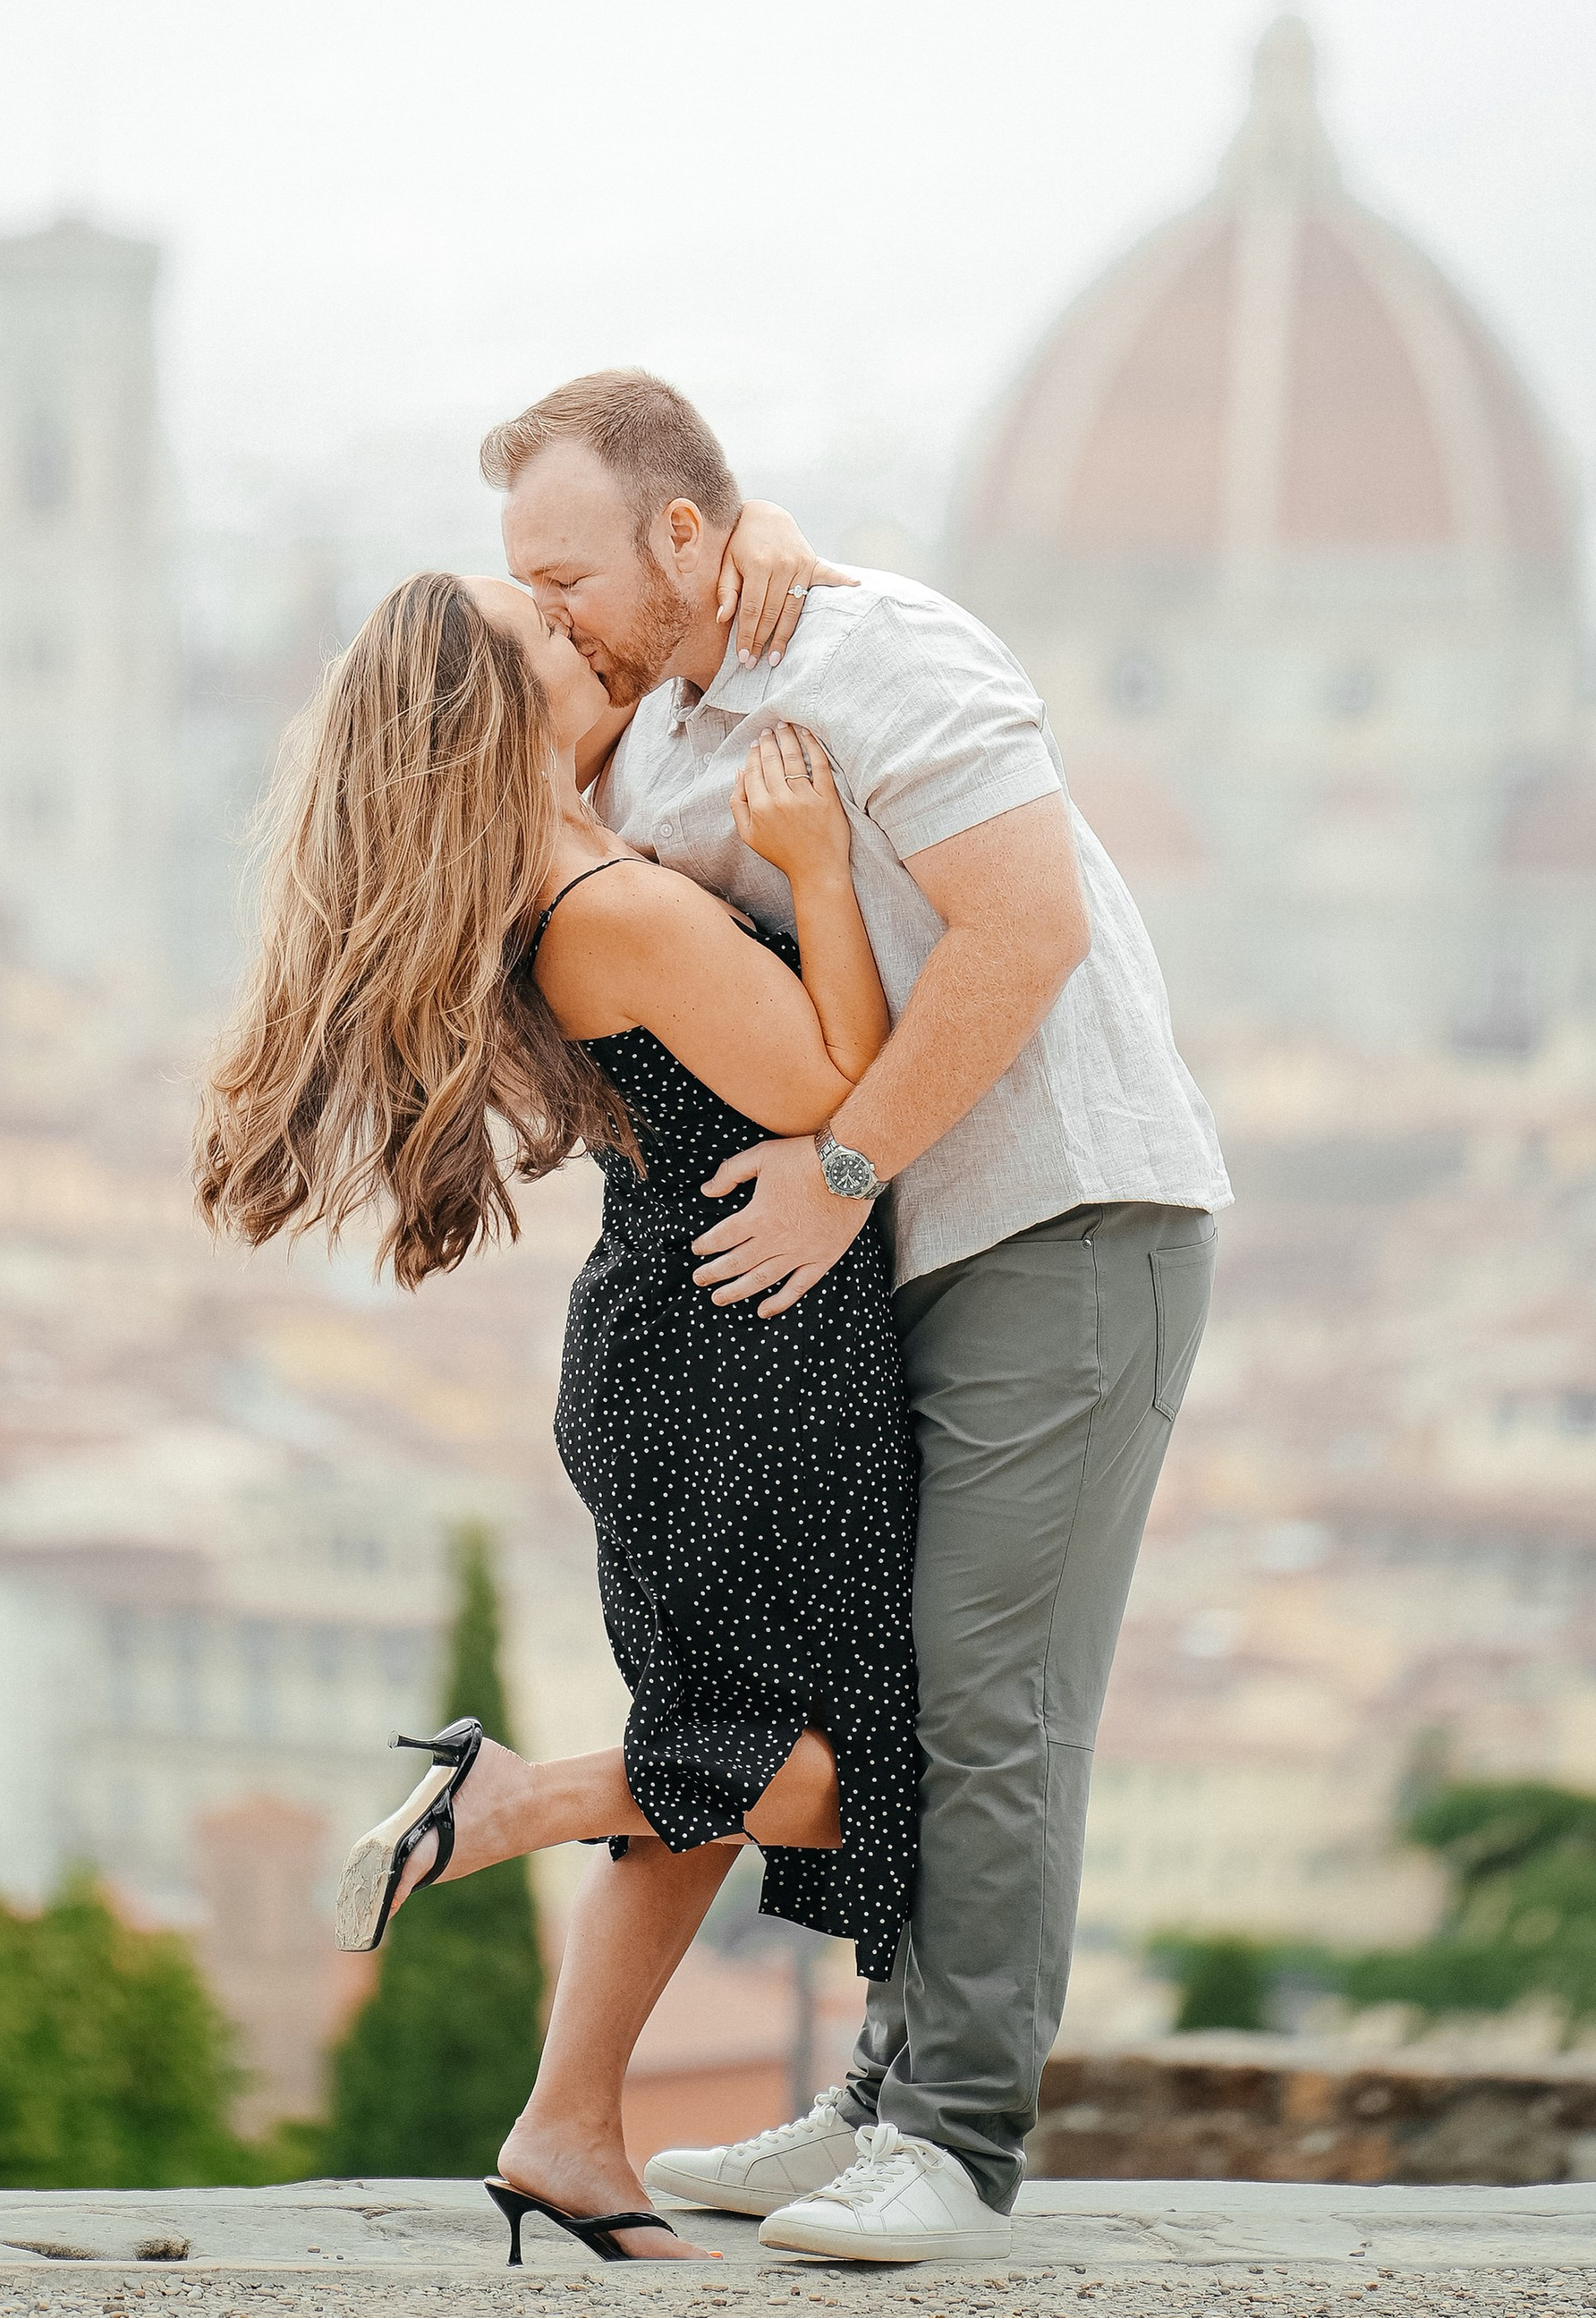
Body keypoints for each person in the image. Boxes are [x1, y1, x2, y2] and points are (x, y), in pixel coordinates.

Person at [485, 369, 1230, 2269]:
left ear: (680, 532)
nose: (553, 613)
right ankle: (888, 2099)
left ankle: (957, 2145)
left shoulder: (886, 653)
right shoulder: (660, 720)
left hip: (1061, 1217)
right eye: (528, 584)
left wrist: (841, 1167)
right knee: (898, 1685)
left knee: (991, 1693)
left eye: (568, 576)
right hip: (905, 1255)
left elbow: (1027, 928)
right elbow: (528, 740)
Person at [193, 545, 920, 2266]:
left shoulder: (573, 875)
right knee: (865, 1773)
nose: (582, 627)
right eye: (543, 626)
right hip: (746, 1362)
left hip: (690, 1352)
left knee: (701, 1773)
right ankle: (512, 1804)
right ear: (494, 709)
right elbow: (842, 1089)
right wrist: (820, 871)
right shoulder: (616, 908)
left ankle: (566, 2132)